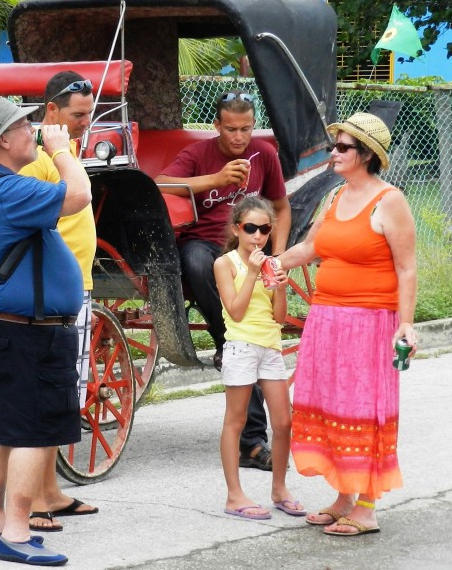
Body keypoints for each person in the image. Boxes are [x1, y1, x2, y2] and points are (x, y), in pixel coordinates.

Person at [0, 95, 92, 566]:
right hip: (27, 333)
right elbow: (79, 196)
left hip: (2, 331)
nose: (35, 129)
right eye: (26, 125)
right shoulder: (6, 190)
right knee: (34, 432)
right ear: (4, 141)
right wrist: (61, 150)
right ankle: (17, 532)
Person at [275, 112, 418, 537]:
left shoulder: (389, 200)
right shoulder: (338, 197)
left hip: (369, 323)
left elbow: (407, 268)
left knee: (363, 409)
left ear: (366, 154)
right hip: (327, 320)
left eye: (342, 147)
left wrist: (406, 325)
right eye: (333, 145)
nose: (332, 153)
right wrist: (271, 263)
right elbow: (310, 248)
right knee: (332, 407)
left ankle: (368, 506)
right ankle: (343, 498)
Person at [154, 92, 291, 471]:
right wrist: (213, 179)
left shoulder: (264, 154)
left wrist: (276, 254)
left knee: (243, 341)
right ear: (217, 126)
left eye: (246, 128)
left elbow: (280, 207)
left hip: (248, 249)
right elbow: (160, 183)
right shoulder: (200, 154)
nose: (239, 137)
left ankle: (230, 342)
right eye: (231, 129)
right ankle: (225, 336)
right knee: (195, 260)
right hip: (204, 243)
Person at [19, 72, 101, 533]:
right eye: (77, 115)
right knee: (47, 397)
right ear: (51, 111)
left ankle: (49, 492)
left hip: (75, 288)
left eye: (90, 114)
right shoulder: (40, 158)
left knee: (61, 396)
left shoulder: (61, 151)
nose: (86, 123)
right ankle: (30, 500)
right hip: (53, 295)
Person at [214, 195, 306, 521]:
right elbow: (236, 312)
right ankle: (234, 495)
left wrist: (280, 285)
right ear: (237, 228)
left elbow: (279, 317)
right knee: (236, 421)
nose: (257, 236)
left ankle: (279, 489)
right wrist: (253, 272)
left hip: (270, 347)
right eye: (250, 228)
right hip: (241, 345)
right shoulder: (226, 263)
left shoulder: (272, 263)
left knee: (283, 421)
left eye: (264, 229)